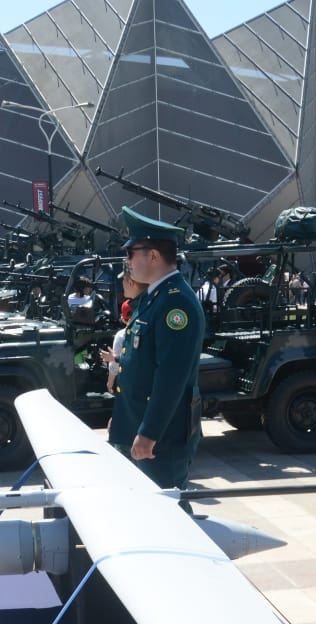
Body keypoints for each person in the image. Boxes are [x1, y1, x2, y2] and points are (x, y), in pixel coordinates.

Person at [107, 206, 205, 492]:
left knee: (170, 519)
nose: (128, 261)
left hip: (162, 438)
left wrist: (149, 434)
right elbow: (137, 365)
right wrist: (125, 417)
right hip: (138, 425)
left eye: (131, 253)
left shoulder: (176, 303)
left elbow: (171, 377)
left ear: (152, 255)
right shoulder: (154, 298)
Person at [101, 271, 148, 394]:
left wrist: (109, 383)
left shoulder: (121, 335)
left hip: (129, 387)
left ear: (123, 318)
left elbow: (114, 366)